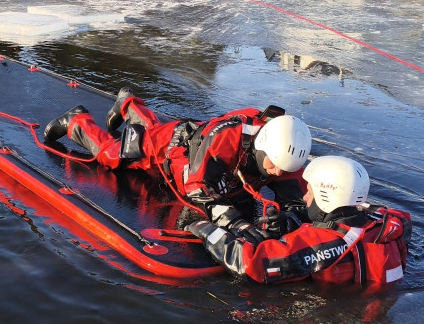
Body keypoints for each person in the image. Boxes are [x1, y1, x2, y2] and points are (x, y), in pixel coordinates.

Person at [43, 88, 312, 234]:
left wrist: (290, 219)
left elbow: (296, 199)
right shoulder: (228, 138)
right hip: (175, 149)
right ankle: (77, 121)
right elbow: (196, 185)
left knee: (148, 131)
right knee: (114, 155)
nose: (277, 172)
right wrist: (231, 220)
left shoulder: (286, 153)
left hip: (194, 139)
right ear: (263, 148)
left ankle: (127, 103)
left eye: (284, 168)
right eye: (274, 165)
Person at [187, 156, 411, 290]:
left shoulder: (326, 243)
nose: (304, 198)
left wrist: (204, 229)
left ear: (326, 197)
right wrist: (293, 221)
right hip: (375, 302)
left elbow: (249, 263)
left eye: (310, 193)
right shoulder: (388, 221)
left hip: (336, 312)